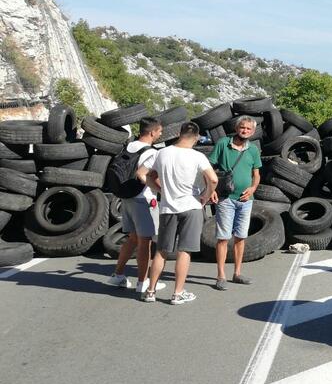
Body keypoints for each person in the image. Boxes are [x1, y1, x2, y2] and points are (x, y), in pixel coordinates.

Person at [142, 122, 218, 305]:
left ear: (179, 133)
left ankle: (150, 291)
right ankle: (177, 293)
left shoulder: (163, 153)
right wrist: (205, 196)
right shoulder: (198, 156)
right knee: (185, 250)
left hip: (168, 207)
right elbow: (213, 179)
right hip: (191, 206)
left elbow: (144, 174)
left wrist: (160, 190)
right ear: (197, 137)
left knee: (161, 250)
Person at [105, 117, 166, 294]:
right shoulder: (152, 152)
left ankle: (118, 275)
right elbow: (149, 176)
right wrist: (163, 191)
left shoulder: (129, 146)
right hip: (144, 200)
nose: (160, 134)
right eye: (159, 131)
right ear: (152, 132)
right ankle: (142, 282)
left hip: (127, 198)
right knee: (144, 242)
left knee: (132, 239)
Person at [208, 116, 262, 291]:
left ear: (253, 132)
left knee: (241, 237)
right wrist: (211, 190)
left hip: (246, 200)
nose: (244, 131)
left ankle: (237, 273)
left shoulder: (253, 150)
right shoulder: (223, 143)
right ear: (237, 128)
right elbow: (208, 167)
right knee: (223, 238)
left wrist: (253, 188)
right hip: (225, 199)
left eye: (248, 129)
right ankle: (221, 276)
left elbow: (256, 174)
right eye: (242, 127)